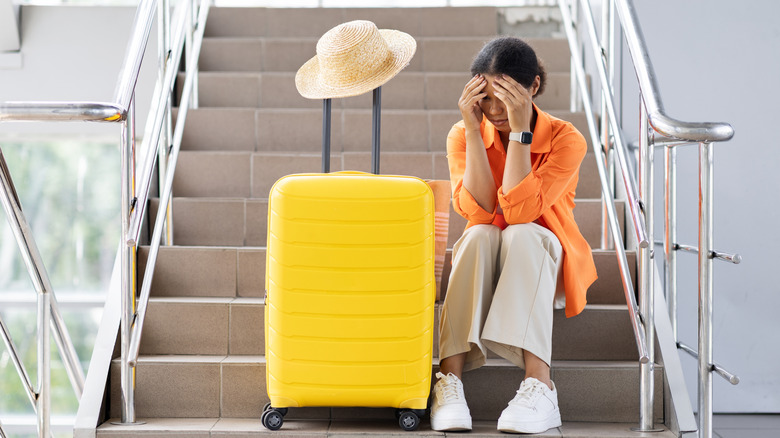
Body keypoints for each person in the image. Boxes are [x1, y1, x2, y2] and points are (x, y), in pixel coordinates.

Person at [430, 36, 598, 434]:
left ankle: (540, 385)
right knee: (476, 237)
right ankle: (448, 381)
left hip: (541, 255)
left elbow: (523, 212)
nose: (494, 110)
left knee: (522, 233)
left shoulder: (566, 139)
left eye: (505, 96)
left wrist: (521, 133)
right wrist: (473, 133)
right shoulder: (464, 132)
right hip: (487, 256)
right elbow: (480, 211)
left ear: (533, 87)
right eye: (484, 98)